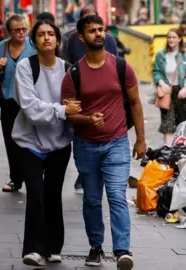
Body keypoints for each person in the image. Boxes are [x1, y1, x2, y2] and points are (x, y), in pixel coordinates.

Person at [61, 15, 146, 269]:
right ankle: (95, 246)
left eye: (101, 30)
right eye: (92, 31)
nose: (98, 34)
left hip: (117, 142)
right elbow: (68, 114)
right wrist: (87, 119)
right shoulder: (73, 74)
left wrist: (141, 139)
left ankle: (122, 250)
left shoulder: (121, 67)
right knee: (92, 199)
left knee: (117, 196)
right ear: (81, 37)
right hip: (86, 145)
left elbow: (135, 103)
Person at [12, 20, 81, 266]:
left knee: (52, 193)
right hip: (28, 141)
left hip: (59, 144)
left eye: (51, 34)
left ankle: (53, 247)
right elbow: (30, 109)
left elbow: (78, 106)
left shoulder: (68, 70)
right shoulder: (25, 67)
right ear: (34, 41)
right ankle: (32, 249)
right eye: (41, 34)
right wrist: (62, 110)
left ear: (58, 39)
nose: (47, 38)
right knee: (35, 191)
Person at [64, 6, 119, 194]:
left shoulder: (108, 39)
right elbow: (67, 62)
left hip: (104, 94)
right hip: (81, 92)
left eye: (98, 28)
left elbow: (114, 62)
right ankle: (85, 173)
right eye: (89, 27)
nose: (96, 32)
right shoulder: (72, 39)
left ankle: (98, 171)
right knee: (83, 132)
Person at [0, 14, 37, 192]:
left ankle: (32, 175)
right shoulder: (2, 47)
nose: (21, 32)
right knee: (11, 141)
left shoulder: (32, 46)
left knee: (30, 140)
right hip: (8, 100)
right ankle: (15, 179)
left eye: (24, 29)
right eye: (17, 30)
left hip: (29, 101)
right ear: (9, 31)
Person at [153, 28, 186, 146]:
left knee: (182, 123)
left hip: (181, 91)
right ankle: (168, 151)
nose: (171, 40)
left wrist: (185, 87)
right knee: (168, 124)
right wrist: (161, 83)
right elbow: (156, 72)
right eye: (169, 37)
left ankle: (180, 151)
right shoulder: (161, 54)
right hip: (167, 92)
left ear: (179, 39)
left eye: (174, 37)